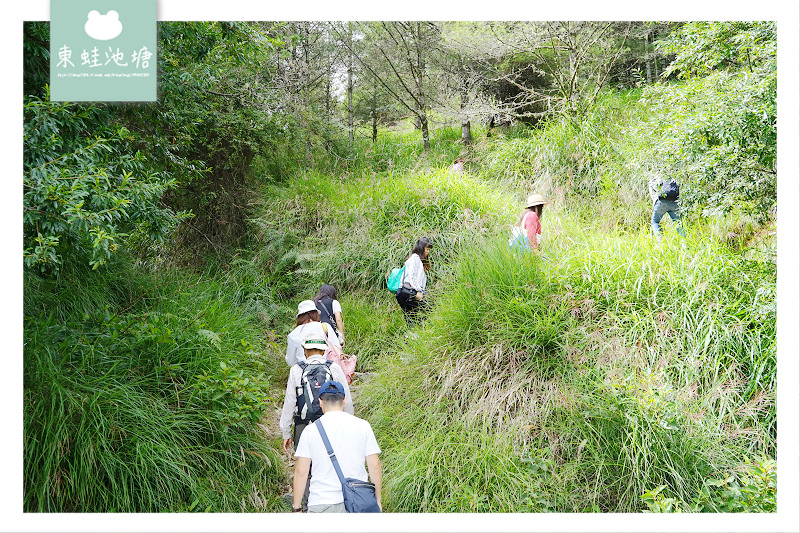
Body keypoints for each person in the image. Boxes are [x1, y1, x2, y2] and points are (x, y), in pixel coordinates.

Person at [292, 380, 381, 513]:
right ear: (344, 400)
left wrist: (297, 507)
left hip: (321, 503)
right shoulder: (363, 426)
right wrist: (377, 500)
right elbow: (375, 466)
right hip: (358, 503)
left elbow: (301, 471)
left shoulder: (310, 430)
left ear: (320, 402)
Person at [280, 332, 354, 455]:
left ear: (305, 350)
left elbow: (289, 403)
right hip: (332, 424)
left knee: (306, 463)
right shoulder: (334, 368)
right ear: (324, 350)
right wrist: (348, 426)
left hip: (303, 425)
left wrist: (286, 433)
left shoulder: (296, 370)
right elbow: (346, 399)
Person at [285, 300, 341, 367]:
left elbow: (290, 362)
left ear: (300, 317)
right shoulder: (325, 327)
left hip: (304, 373)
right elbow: (337, 348)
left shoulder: (293, 334)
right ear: (316, 314)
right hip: (327, 371)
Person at [395, 237, 433, 328]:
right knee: (431, 309)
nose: (428, 252)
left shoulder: (416, 259)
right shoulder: (415, 258)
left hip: (404, 294)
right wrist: (418, 291)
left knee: (411, 320)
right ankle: (421, 333)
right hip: (409, 293)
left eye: (429, 250)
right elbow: (412, 277)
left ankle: (412, 338)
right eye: (427, 249)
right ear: (421, 248)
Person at [648, 175, 685, 242]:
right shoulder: (672, 178)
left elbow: (653, 195)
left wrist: (654, 207)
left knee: (655, 222)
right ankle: (684, 244)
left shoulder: (654, 180)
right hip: (674, 202)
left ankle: (660, 242)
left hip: (661, 202)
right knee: (678, 223)